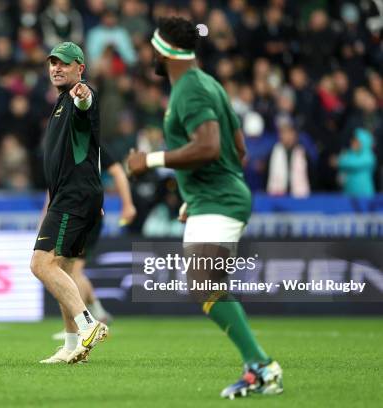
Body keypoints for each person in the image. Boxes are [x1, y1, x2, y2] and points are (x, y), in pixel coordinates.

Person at [127, 17, 283, 399]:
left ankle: (261, 366)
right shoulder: (208, 83)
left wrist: (149, 160)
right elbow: (238, 149)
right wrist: (193, 194)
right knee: (207, 286)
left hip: (220, 199)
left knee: (204, 284)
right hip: (213, 196)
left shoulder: (189, 89)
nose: (150, 54)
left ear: (164, 51)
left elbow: (210, 146)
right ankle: (258, 367)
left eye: (152, 47)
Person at [31, 42, 109, 364]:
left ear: (80, 67)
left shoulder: (78, 97)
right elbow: (93, 150)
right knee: (62, 268)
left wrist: (83, 96)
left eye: (63, 63)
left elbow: (86, 103)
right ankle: (72, 345)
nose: (56, 68)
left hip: (73, 197)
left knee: (41, 264)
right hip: (79, 195)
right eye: (52, 63)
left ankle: (88, 323)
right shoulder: (62, 102)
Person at [51, 146, 137, 341]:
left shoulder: (87, 144)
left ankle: (80, 325)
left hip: (84, 212)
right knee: (71, 271)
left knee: (72, 272)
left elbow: (117, 170)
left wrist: (127, 204)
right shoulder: (66, 145)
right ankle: (96, 313)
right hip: (74, 211)